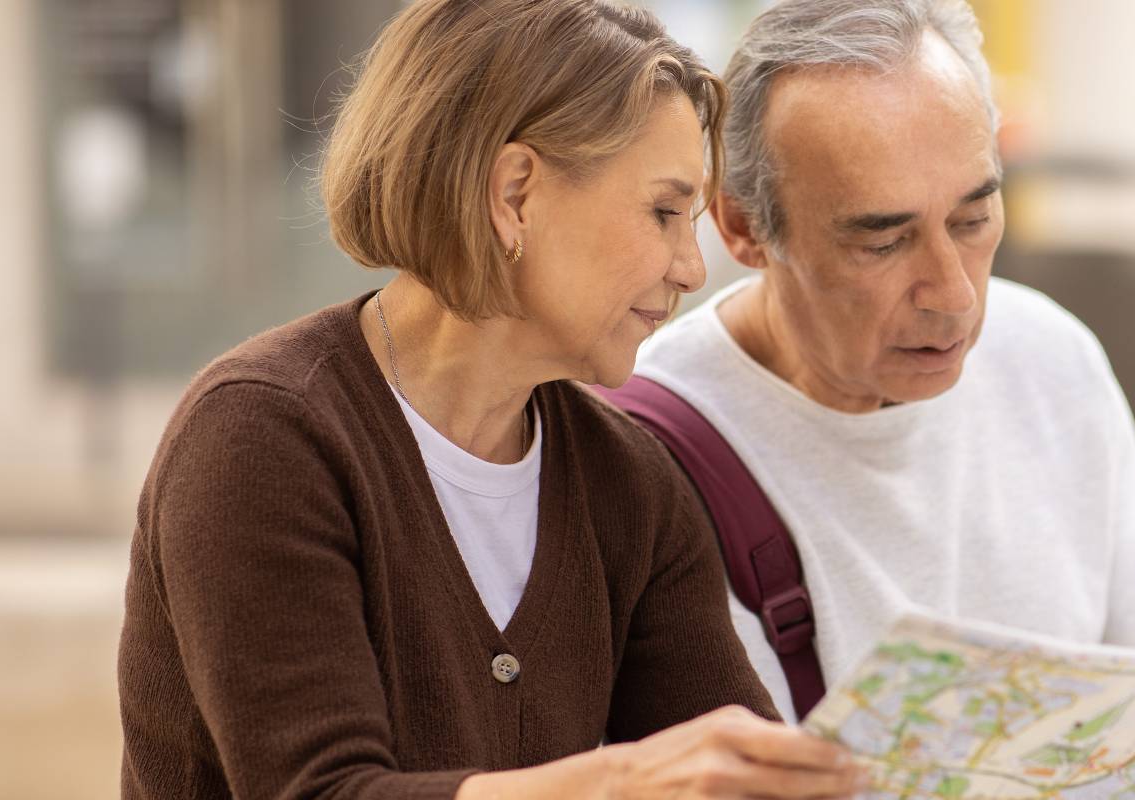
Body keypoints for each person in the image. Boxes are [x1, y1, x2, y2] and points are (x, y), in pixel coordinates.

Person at [116, 1, 865, 798]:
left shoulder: (634, 484)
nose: (691, 267)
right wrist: (618, 783)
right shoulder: (260, 434)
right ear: (514, 195)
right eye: (663, 212)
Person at [628, 1, 1135, 797]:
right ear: (743, 228)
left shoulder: (1052, 359)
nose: (953, 295)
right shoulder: (649, 454)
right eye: (883, 240)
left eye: (974, 217)